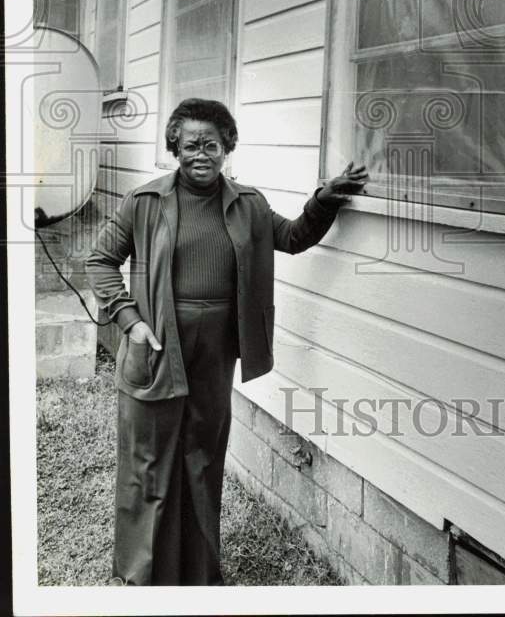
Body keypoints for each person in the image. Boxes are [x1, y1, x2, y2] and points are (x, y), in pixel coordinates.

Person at [85, 97, 369, 586]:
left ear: (226, 149)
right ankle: (139, 575)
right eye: (191, 144)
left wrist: (325, 200)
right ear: (175, 146)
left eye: (212, 145)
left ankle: (198, 573)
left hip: (215, 350)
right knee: (149, 459)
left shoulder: (248, 206)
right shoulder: (145, 202)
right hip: (156, 346)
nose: (201, 154)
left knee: (202, 458)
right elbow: (99, 261)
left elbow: (295, 236)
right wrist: (131, 321)